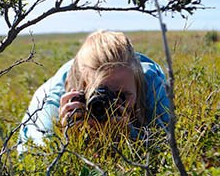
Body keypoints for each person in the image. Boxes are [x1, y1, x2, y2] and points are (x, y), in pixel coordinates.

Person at [17, 30, 169, 153]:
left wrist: (131, 136)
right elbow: (31, 154)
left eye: (122, 95)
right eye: (99, 94)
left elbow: (169, 146)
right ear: (82, 90)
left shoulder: (152, 83)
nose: (111, 105)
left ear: (137, 84)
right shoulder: (52, 100)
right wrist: (67, 139)